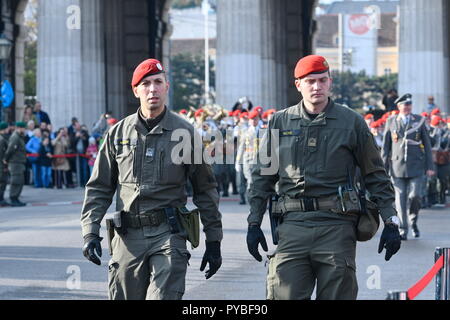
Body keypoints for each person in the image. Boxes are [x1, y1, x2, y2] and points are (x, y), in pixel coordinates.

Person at [246, 55, 401, 300]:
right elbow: (262, 177)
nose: (317, 86)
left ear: (330, 82)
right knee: (283, 294)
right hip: (293, 226)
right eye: (310, 81)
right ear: (298, 85)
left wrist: (391, 221)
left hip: (337, 227)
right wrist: (253, 223)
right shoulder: (279, 122)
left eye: (322, 80)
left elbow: (376, 175)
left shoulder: (352, 123)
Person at [80, 58, 223, 300]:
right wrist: (90, 232)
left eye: (158, 82)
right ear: (136, 90)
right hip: (128, 236)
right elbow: (100, 187)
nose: (152, 89)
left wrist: (214, 240)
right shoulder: (117, 133)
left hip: (168, 232)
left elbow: (205, 189)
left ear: (167, 87)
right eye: (145, 84)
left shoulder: (185, 133)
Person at [382, 94, 434, 240]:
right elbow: (386, 148)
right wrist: (382, 169)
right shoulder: (391, 121)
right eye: (405, 105)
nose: (407, 107)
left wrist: (430, 166)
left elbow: (428, 145)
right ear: (399, 107)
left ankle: (413, 220)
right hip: (397, 167)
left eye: (409, 105)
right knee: (400, 199)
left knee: (415, 196)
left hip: (416, 166)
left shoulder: (419, 121)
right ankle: (403, 229)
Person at [4, 122, 28, 207]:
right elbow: (10, 149)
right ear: (19, 128)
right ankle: (13, 198)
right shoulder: (15, 137)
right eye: (24, 128)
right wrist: (6, 159)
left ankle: (16, 198)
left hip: (19, 162)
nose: (25, 130)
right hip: (15, 163)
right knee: (16, 181)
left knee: (20, 181)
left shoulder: (19, 137)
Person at [0, 122, 9, 207]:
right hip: (1, 165)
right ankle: (1, 199)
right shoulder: (1, 139)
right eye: (7, 128)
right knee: (2, 182)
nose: (8, 129)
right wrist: (4, 162)